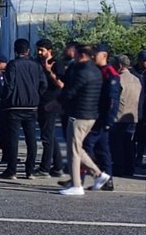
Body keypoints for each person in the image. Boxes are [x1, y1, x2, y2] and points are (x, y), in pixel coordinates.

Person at [58, 45, 109, 196]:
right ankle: (98, 174)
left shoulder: (82, 71)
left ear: (82, 55)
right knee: (78, 148)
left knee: (73, 150)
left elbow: (71, 91)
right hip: (90, 114)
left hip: (79, 114)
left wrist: (56, 103)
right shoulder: (95, 71)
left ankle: (76, 184)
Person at [0, 38, 47, 179]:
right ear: (28, 51)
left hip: (14, 106)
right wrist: (36, 96)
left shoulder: (13, 65)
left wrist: (4, 99)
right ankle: (30, 170)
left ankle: (12, 170)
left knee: (13, 139)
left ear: (15, 50)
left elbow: (9, 86)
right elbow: (43, 84)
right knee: (31, 139)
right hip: (31, 106)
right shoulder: (36, 65)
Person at [83, 43, 121, 190]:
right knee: (103, 150)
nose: (93, 56)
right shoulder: (98, 71)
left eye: (96, 54)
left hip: (101, 117)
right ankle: (107, 180)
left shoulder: (109, 73)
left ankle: (98, 174)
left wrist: (109, 119)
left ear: (104, 55)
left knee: (87, 146)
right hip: (95, 115)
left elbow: (112, 99)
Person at [35, 39, 66, 177]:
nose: (40, 53)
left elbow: (61, 85)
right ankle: (58, 166)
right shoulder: (37, 63)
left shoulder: (56, 64)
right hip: (40, 103)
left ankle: (44, 168)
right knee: (50, 135)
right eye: (38, 50)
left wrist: (50, 72)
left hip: (51, 103)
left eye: (42, 50)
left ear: (49, 51)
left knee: (47, 137)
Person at [110, 54, 140, 179]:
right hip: (133, 115)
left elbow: (113, 98)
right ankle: (130, 168)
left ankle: (119, 167)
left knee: (117, 144)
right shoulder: (136, 79)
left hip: (119, 116)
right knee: (129, 144)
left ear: (120, 66)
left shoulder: (118, 79)